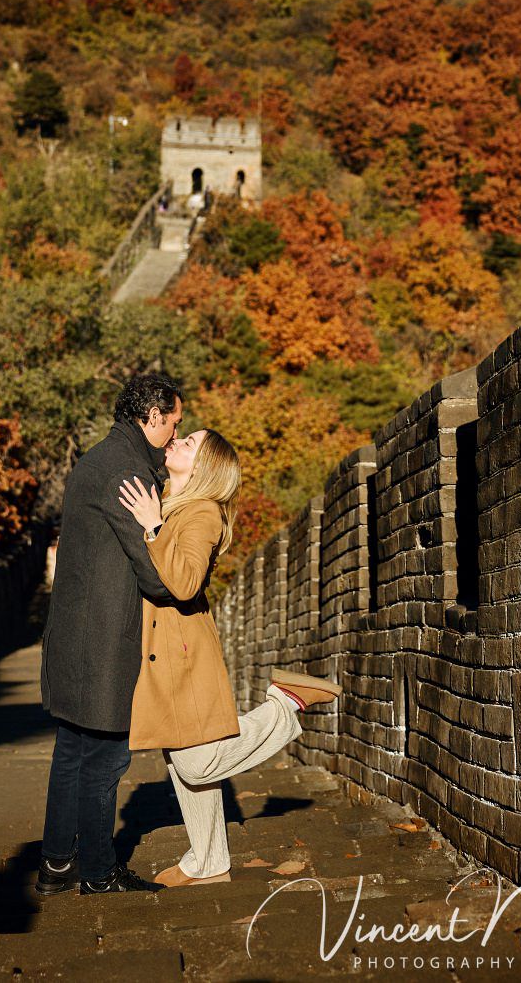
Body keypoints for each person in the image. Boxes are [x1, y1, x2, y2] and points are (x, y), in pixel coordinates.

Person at [118, 429, 341, 887]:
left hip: (182, 648)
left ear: (204, 467)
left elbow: (184, 583)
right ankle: (209, 861)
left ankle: (285, 705)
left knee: (196, 762)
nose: (177, 442)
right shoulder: (173, 502)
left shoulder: (203, 513)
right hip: (162, 647)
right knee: (182, 759)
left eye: (189, 443)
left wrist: (153, 525)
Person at [37, 373, 184, 896]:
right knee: (104, 758)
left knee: (73, 752)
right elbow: (153, 572)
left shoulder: (98, 459)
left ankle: (57, 865)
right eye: (173, 423)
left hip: (75, 633)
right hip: (104, 640)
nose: (174, 434)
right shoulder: (128, 472)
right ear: (151, 416)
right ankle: (98, 872)